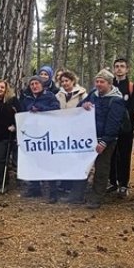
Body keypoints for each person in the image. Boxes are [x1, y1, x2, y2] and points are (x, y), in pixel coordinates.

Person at [84, 70, 128, 209]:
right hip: (89, 137)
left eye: (102, 82)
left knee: (102, 168)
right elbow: (80, 106)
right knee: (85, 166)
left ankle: (97, 197)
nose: (98, 84)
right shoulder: (92, 95)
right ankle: (81, 193)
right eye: (97, 81)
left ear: (109, 83)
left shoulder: (116, 100)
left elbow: (114, 123)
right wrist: (83, 105)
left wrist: (104, 141)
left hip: (106, 140)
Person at [18, 74, 61, 198]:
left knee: (49, 162)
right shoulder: (26, 98)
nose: (34, 86)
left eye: (36, 84)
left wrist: (40, 109)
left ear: (42, 85)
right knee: (33, 161)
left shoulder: (50, 96)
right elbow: (22, 113)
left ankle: (53, 192)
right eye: (32, 84)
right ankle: (34, 188)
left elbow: (56, 109)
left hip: (47, 134)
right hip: (32, 134)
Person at [52, 70, 90, 203]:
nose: (64, 83)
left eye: (67, 80)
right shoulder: (58, 95)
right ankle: (65, 184)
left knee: (76, 158)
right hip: (62, 131)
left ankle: (75, 187)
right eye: (62, 81)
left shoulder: (82, 94)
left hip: (77, 132)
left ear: (73, 81)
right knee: (64, 158)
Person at [109, 58, 134, 198]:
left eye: (122, 66)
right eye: (117, 66)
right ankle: (112, 181)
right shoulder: (109, 85)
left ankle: (123, 183)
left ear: (127, 69)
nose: (119, 69)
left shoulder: (132, 87)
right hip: (110, 128)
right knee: (110, 155)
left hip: (126, 128)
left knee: (124, 155)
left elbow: (133, 107)